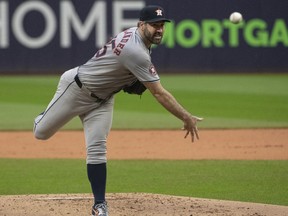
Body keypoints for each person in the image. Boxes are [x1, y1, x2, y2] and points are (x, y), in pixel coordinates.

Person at [33, 5, 203, 216]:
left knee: (97, 149)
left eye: (162, 25)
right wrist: (186, 116)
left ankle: (99, 205)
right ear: (142, 25)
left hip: (103, 100)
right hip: (76, 89)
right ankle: (44, 115)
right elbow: (159, 93)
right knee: (41, 132)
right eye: (154, 25)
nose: (159, 29)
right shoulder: (136, 51)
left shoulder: (136, 36)